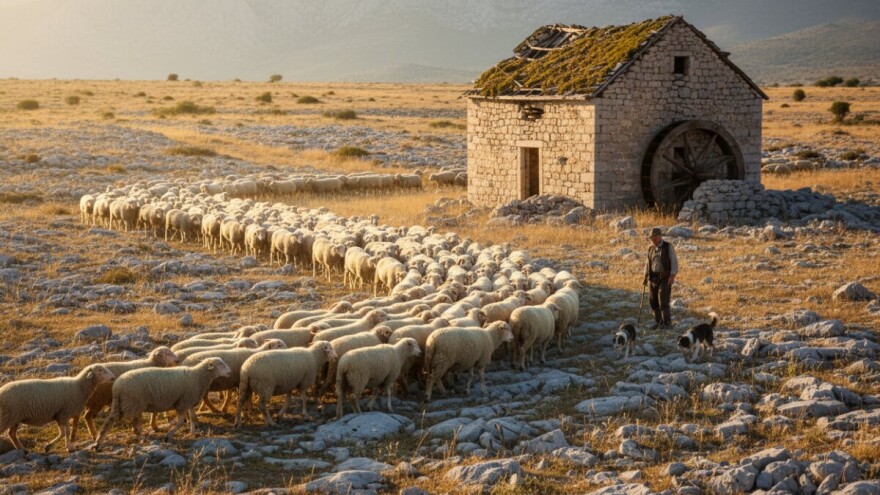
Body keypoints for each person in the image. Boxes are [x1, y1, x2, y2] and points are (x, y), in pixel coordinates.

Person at [643, 227, 678, 329]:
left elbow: (674, 262)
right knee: (653, 301)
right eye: (651, 238)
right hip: (652, 278)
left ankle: (667, 323)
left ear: (659, 237)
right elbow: (647, 263)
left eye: (654, 238)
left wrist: (672, 275)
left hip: (665, 278)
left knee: (664, 300)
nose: (652, 240)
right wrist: (645, 276)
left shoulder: (668, 247)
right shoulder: (650, 248)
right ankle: (658, 322)